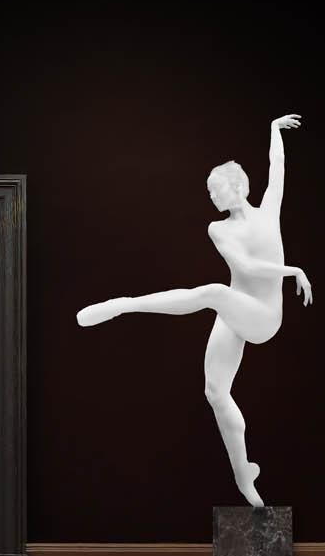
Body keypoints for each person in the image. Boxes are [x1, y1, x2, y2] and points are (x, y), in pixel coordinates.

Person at [77, 116, 312, 508]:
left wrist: (273, 130)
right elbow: (246, 266)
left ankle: (127, 305)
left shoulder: (270, 211)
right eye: (209, 192)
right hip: (235, 309)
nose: (212, 197)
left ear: (238, 187)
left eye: (216, 189)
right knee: (215, 391)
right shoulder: (218, 229)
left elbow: (278, 167)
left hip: (264, 316)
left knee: (214, 292)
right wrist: (293, 270)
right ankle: (244, 475)